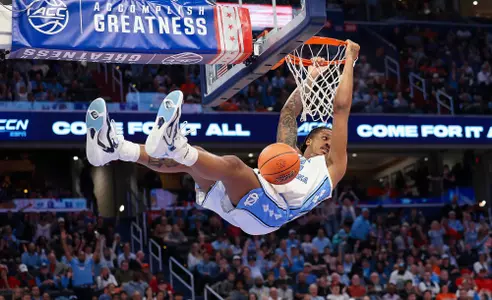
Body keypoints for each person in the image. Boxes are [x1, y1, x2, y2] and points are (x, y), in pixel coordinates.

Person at [85, 40, 360, 235]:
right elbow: (289, 113)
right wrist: (310, 77)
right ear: (306, 142)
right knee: (193, 160)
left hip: (271, 214)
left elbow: (341, 109)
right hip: (251, 196)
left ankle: (175, 145)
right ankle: (115, 148)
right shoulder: (290, 155)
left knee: (231, 165)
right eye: (323, 136)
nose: (328, 141)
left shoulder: (333, 167)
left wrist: (350, 60)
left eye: (330, 137)